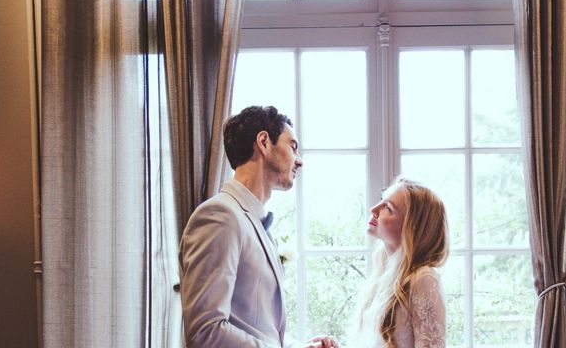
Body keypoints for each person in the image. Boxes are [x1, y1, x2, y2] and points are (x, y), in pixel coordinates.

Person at [179, 105, 339, 348]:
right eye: (292, 147)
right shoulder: (219, 216)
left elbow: (256, 327)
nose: (299, 161)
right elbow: (205, 332)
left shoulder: (251, 221)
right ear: (263, 142)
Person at [349, 176, 449, 348]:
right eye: (381, 200)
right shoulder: (384, 275)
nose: (374, 209)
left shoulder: (423, 279)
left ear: (411, 226)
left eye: (388, 207)